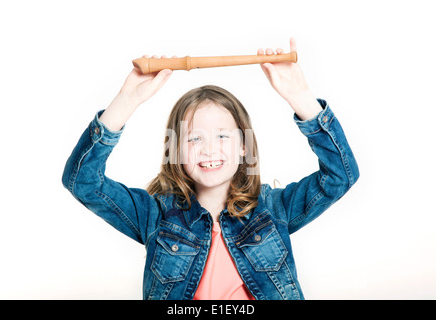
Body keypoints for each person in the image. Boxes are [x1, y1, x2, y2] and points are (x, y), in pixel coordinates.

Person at [62, 38, 359, 300]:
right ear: (176, 151)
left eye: (222, 136)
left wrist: (301, 98)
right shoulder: (155, 215)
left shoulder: (273, 209)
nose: (209, 149)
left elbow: (340, 176)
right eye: (194, 138)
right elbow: (83, 183)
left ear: (244, 146)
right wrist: (126, 101)